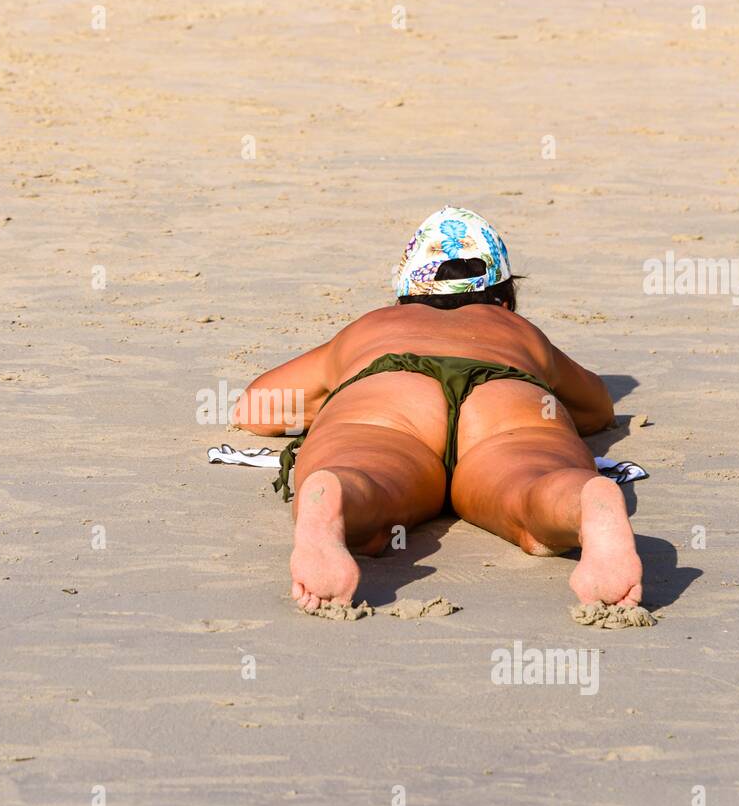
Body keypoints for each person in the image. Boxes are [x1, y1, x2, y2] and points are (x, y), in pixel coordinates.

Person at [232, 206, 641, 613]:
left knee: (369, 477)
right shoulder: (517, 331)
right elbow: (596, 407)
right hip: (504, 396)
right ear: (504, 297)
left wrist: (341, 399)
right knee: (531, 489)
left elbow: (258, 409)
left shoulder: (373, 326)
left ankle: (339, 491)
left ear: (404, 293)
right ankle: (579, 501)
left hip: (392, 392)